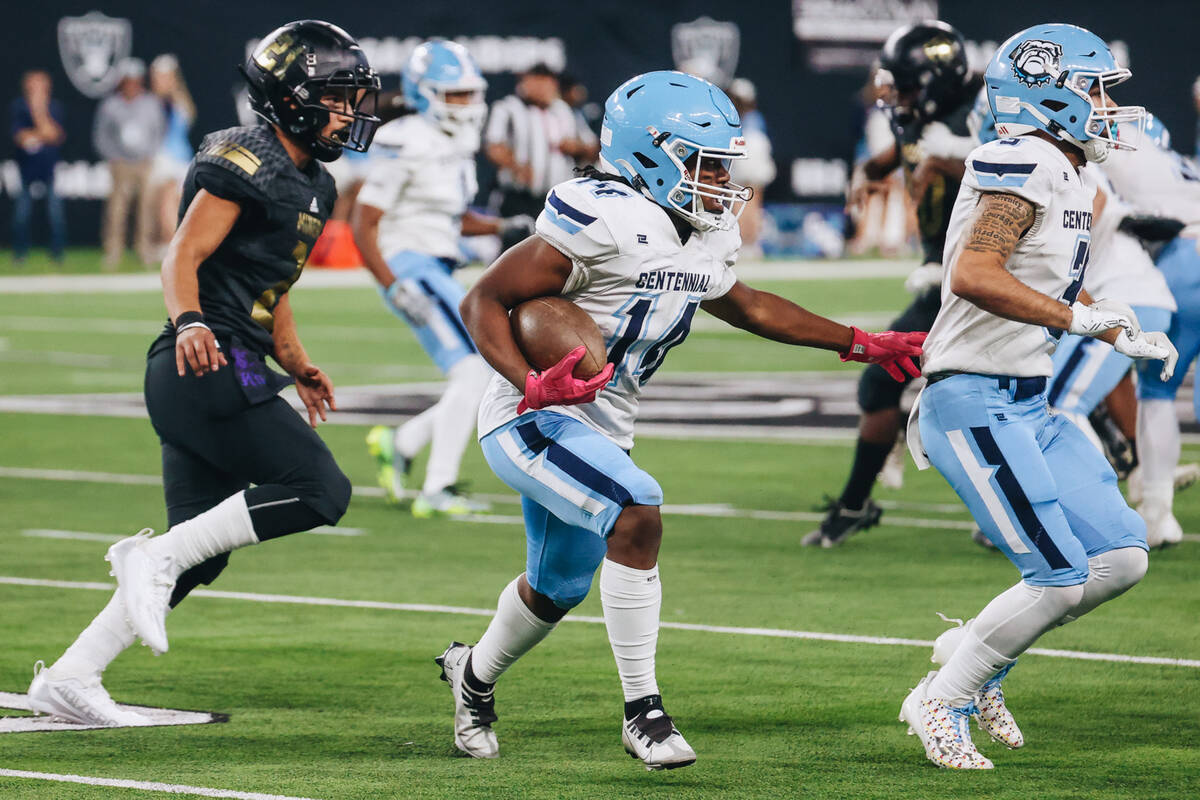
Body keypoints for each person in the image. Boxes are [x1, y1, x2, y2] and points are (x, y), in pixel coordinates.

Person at [437, 70, 926, 770]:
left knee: (558, 587)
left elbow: (749, 305)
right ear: (647, 152)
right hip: (531, 413)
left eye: (724, 161)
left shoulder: (701, 228)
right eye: (705, 161)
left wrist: (859, 341)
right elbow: (484, 298)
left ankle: (472, 678)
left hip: (605, 420)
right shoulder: (602, 214)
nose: (721, 177)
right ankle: (645, 712)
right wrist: (529, 381)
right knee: (638, 509)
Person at [26, 20, 381, 727]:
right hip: (205, 362)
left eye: (352, 98)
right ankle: (148, 558)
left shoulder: (318, 184)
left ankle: (71, 674)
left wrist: (299, 361)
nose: (350, 112)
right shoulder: (242, 157)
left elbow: (272, 288)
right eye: (337, 97)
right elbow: (180, 256)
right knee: (322, 490)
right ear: (290, 98)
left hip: (225, 364)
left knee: (200, 554)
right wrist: (190, 320)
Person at [900, 23, 1176, 769]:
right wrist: (1079, 318)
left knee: (1121, 557)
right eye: (1093, 88)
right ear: (1048, 91)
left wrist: (1111, 323)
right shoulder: (1023, 156)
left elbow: (1045, 272)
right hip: (971, 399)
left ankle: (973, 656)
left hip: (1026, 400)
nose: (1104, 104)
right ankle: (942, 697)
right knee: (1057, 576)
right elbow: (975, 273)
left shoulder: (1064, 167)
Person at [806, 21, 981, 547]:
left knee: (982, 392)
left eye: (906, 84)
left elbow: (1021, 169)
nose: (896, 95)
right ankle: (858, 503)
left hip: (986, 276)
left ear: (936, 82)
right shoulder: (919, 117)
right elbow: (904, 151)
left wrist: (945, 161)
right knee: (893, 381)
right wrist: (870, 168)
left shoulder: (982, 110)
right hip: (948, 277)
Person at [356, 39, 525, 516]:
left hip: (439, 264)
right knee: (475, 371)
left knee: (485, 372)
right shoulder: (404, 139)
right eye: (454, 95)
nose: (466, 105)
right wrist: (392, 283)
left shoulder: (455, 142)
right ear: (423, 93)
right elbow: (363, 224)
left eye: (469, 94)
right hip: (410, 266)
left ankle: (403, 441)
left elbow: (449, 216)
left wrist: (501, 226)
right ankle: (437, 488)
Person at [1100, 110, 1200, 545]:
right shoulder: (1180, 162)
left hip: (1183, 265)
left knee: (1156, 393)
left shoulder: (1119, 146)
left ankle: (1159, 515)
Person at [484, 64, 598, 251]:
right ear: (525, 84)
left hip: (556, 199)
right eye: (538, 83)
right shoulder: (507, 108)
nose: (544, 89)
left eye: (548, 83)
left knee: (557, 251)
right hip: (517, 197)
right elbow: (494, 145)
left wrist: (575, 147)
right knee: (514, 249)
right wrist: (516, 166)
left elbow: (592, 147)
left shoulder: (563, 110)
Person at [93, 57, 166, 268]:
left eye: (135, 80)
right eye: (128, 80)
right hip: (120, 163)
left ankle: (145, 249)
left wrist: (151, 154)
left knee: (147, 207)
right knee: (117, 209)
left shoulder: (151, 103)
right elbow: (101, 135)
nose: (132, 84)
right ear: (122, 81)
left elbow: (159, 131)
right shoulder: (110, 105)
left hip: (144, 162)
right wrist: (113, 156)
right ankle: (113, 250)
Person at [10, 69, 66, 264]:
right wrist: (41, 132)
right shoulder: (18, 107)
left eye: (40, 84)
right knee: (21, 215)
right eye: (33, 85)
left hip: (48, 169)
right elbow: (20, 137)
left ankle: (57, 254)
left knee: (55, 214)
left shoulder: (54, 107)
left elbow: (55, 135)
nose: (37, 89)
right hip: (26, 169)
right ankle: (19, 253)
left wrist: (39, 112)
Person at [147, 54, 196, 259]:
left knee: (177, 205)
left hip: (181, 158)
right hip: (161, 157)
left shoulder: (178, 101)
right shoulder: (152, 103)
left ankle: (176, 245)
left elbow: (189, 117)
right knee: (165, 203)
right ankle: (172, 244)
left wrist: (173, 88)